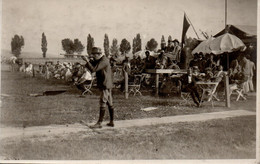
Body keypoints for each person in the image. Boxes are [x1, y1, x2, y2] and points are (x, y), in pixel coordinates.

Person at [81, 47, 114, 128]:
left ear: (99, 54)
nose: (93, 56)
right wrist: (90, 61)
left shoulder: (104, 61)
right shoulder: (102, 60)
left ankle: (99, 123)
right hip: (107, 84)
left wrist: (87, 61)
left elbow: (94, 69)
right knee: (110, 103)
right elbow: (94, 65)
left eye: (94, 55)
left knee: (103, 102)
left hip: (105, 84)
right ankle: (111, 122)